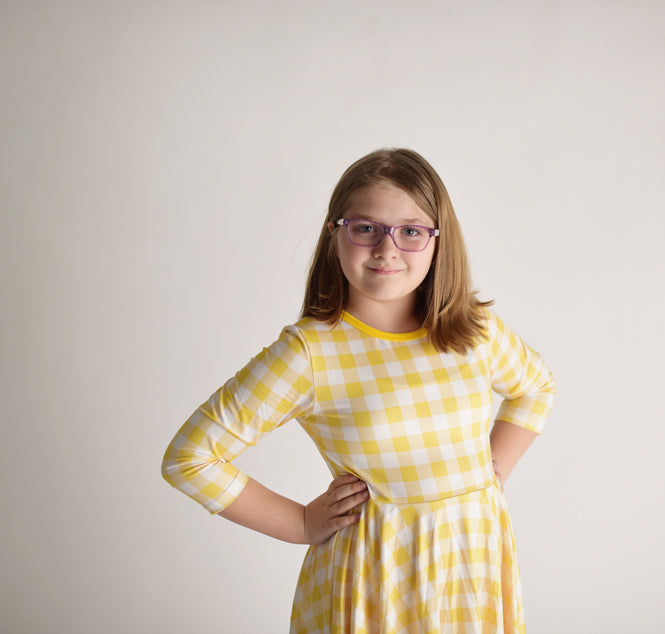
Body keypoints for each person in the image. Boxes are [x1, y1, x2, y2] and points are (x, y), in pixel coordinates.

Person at [161, 148, 555, 633]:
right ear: (335, 235)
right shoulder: (310, 353)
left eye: (411, 231)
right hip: (376, 578)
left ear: (439, 241)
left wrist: (492, 471)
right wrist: (301, 523)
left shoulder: (474, 329)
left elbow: (535, 387)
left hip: (471, 565)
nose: (387, 249)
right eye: (366, 228)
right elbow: (190, 458)